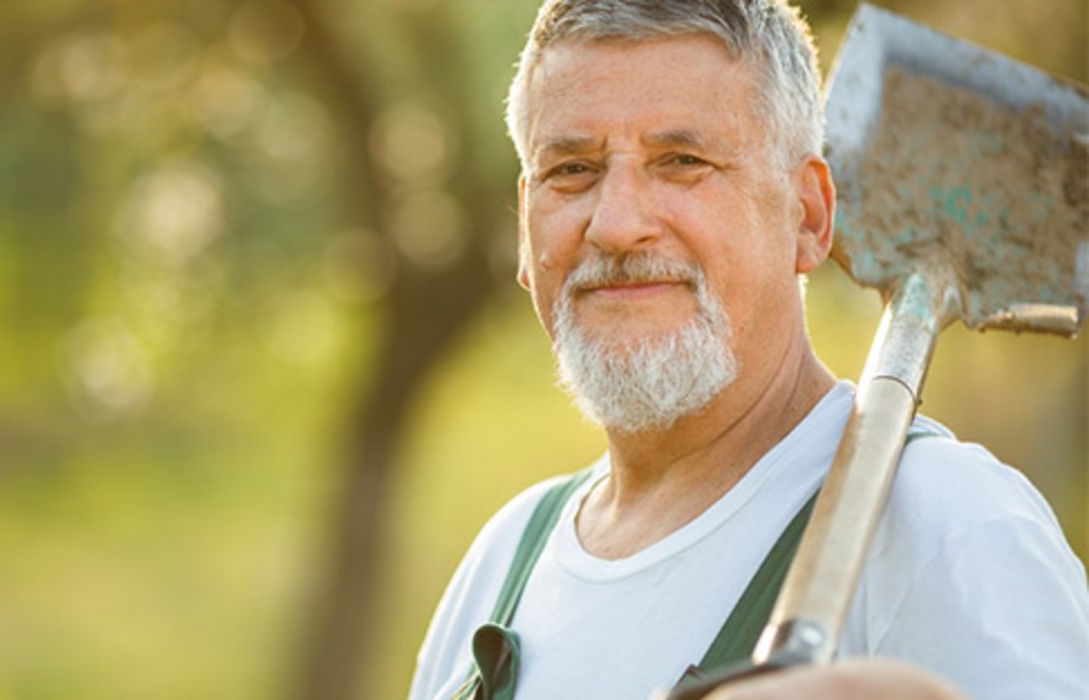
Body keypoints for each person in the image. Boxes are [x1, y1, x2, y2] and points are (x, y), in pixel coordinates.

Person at [407, 1, 1089, 699]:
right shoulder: (504, 561)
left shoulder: (948, 522)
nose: (615, 226)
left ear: (809, 215)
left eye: (681, 162)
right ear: (525, 229)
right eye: (572, 171)